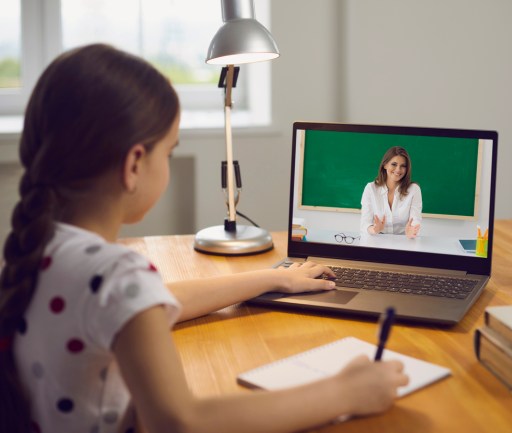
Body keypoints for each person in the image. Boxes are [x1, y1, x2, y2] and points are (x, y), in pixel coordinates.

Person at [0, 44, 408, 433]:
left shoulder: (44, 246)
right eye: (170, 152)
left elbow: (160, 300)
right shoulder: (116, 274)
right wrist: (345, 392)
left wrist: (275, 278)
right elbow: (182, 423)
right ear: (134, 164)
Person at [360, 146, 422, 238]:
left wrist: (412, 232)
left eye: (403, 166)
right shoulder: (370, 188)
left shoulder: (414, 189)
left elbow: (415, 221)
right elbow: (365, 223)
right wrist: (374, 229)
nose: (398, 170)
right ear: (385, 165)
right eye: (394, 164)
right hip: (377, 240)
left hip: (404, 241)